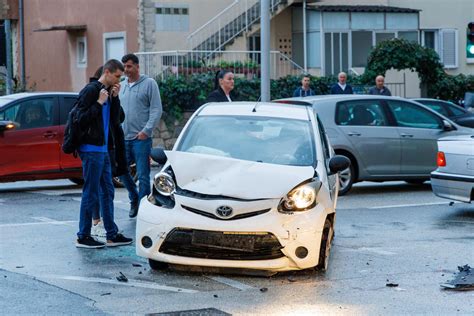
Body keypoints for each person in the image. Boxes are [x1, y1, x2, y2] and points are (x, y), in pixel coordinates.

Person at [75, 59, 132, 248]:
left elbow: (116, 121)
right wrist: (99, 103)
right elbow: (79, 119)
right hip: (91, 149)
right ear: (107, 72)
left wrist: (115, 99)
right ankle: (83, 235)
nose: (119, 81)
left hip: (105, 150)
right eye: (117, 76)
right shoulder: (91, 90)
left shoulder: (109, 92)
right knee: (90, 192)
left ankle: (111, 234)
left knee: (108, 191)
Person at [119, 53, 163, 218]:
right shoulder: (121, 86)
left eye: (129, 66)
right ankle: (134, 198)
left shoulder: (149, 84)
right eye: (124, 67)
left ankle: (143, 209)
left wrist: (147, 130)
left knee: (143, 175)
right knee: (122, 172)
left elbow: (156, 109)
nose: (126, 70)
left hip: (141, 139)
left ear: (137, 66)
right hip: (123, 138)